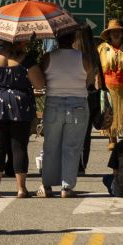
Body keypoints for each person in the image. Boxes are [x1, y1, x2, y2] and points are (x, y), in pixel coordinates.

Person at [0, 34, 40, 199]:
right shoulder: (27, 60)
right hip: (20, 105)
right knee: (19, 147)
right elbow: (39, 83)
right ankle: (21, 189)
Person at [38, 25, 94, 198]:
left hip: (54, 103)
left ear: (57, 39)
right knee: (72, 147)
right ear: (73, 40)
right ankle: (67, 187)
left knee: (50, 146)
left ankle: (46, 186)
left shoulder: (47, 57)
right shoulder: (83, 58)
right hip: (77, 103)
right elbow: (89, 81)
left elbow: (41, 80)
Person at [96, 21, 123, 150]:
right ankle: (112, 139)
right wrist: (98, 83)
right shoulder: (102, 48)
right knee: (109, 112)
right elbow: (98, 68)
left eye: (118, 31)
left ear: (122, 33)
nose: (116, 33)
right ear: (109, 34)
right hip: (108, 85)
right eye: (113, 31)